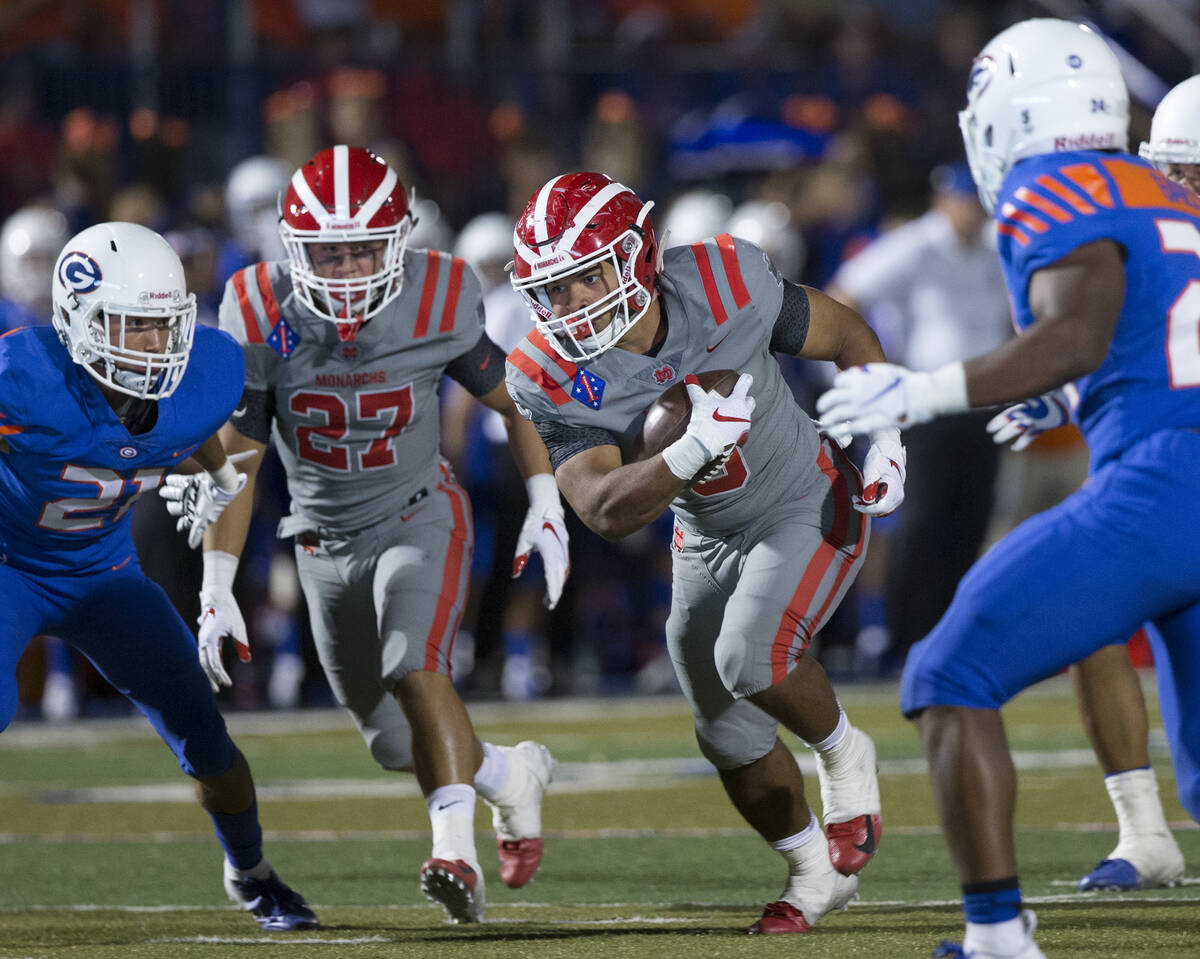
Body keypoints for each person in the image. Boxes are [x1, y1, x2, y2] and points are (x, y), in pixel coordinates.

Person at [816, 20, 1200, 958]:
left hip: (1164, 481)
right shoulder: (1163, 196)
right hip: (1168, 463)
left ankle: (995, 937)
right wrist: (1068, 392)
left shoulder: (1054, 185)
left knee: (948, 672)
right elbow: (1139, 332)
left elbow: (1075, 331)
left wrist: (922, 389)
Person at [505, 171, 903, 934]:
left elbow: (845, 332)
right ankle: (813, 873)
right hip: (704, 537)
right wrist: (689, 453)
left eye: (584, 278)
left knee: (751, 657)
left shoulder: (725, 277)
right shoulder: (545, 370)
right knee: (723, 728)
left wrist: (884, 431)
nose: (567, 307)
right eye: (550, 290)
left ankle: (845, 752)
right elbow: (601, 507)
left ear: (637, 257)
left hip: (803, 500)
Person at [178, 146, 565, 924]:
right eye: (328, 251)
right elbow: (244, 454)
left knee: (415, 666)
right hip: (321, 539)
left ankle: (453, 849)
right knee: (394, 740)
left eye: (363, 247)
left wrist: (545, 499)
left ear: (400, 236)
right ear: (292, 246)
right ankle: (504, 773)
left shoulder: (440, 293)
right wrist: (215, 586)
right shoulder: (257, 304)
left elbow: (517, 399)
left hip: (420, 511)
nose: (348, 268)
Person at [0, 221, 317, 932]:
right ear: (80, 319)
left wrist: (215, 472)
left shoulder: (203, 374)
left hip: (106, 573)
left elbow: (185, 423)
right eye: (134, 325)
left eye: (164, 323)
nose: (156, 344)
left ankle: (252, 871)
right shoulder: (21, 377)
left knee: (205, 735)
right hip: (10, 566)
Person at [827, 161, 1011, 673]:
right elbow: (847, 290)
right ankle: (905, 637)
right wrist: (876, 368)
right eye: (962, 201)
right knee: (924, 521)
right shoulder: (919, 244)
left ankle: (947, 636)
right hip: (928, 404)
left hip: (983, 405)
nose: (970, 213)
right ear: (942, 202)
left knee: (970, 520)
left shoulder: (997, 245)